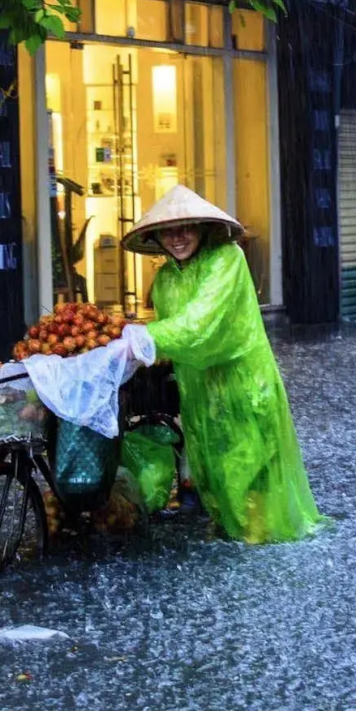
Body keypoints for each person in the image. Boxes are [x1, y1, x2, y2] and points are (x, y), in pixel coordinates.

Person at [121, 186, 324, 544]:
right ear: (156, 237)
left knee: (252, 463)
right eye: (168, 230)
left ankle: (262, 543)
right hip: (199, 391)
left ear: (203, 228)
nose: (178, 237)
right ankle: (232, 530)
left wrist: (144, 337)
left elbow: (200, 324)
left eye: (187, 227)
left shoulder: (227, 260)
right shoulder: (165, 280)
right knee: (214, 466)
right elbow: (175, 342)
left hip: (243, 383)